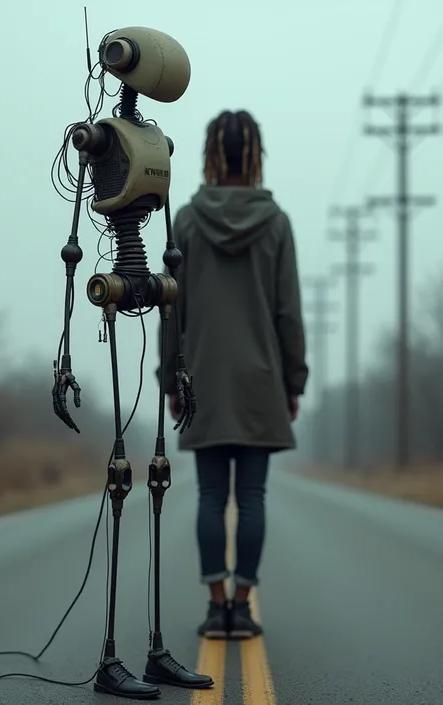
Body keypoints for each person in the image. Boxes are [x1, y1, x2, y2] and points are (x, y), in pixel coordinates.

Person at [158, 109, 308, 640]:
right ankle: (242, 607)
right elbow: (288, 311)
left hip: (201, 379)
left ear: (212, 155)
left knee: (208, 497)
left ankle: (215, 604)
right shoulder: (278, 222)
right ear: (256, 155)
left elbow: (173, 308)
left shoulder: (188, 222)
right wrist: (294, 382)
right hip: (261, 381)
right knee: (252, 498)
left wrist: (169, 378)